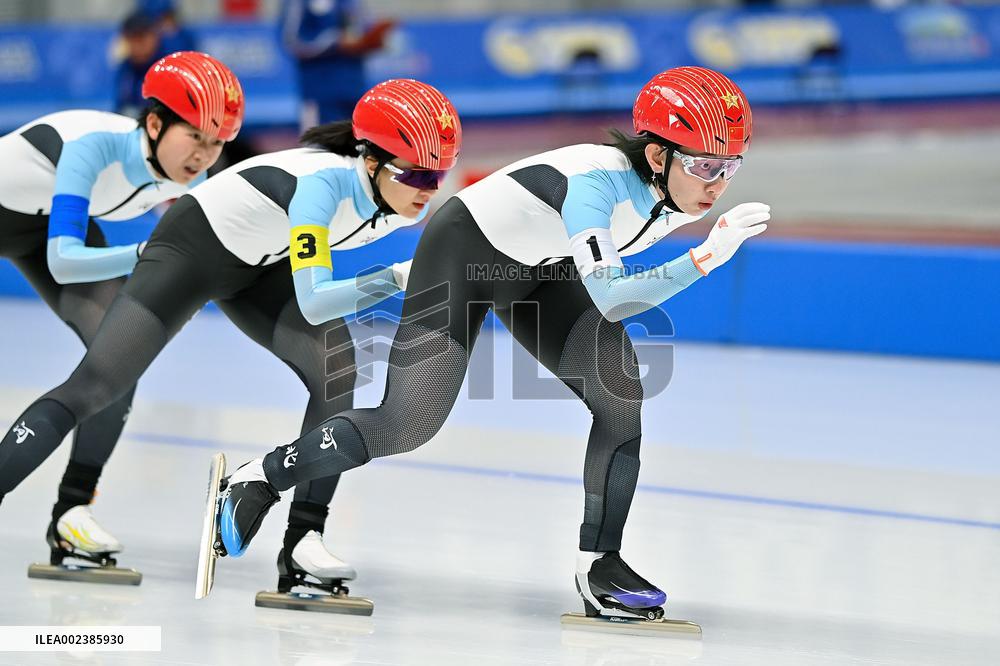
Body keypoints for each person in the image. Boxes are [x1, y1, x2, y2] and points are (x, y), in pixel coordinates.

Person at [204, 66, 770, 624]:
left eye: (731, 167)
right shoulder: (594, 186)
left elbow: (597, 282)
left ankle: (601, 564)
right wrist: (704, 258)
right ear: (657, 155)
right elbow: (617, 300)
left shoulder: (674, 190)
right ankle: (260, 476)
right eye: (705, 165)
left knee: (619, 391)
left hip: (543, 272)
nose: (718, 183)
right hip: (463, 260)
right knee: (409, 421)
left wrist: (697, 244)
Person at [0, 79, 461, 598]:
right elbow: (315, 300)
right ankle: (66, 505)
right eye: (418, 173)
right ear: (371, 161)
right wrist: (393, 279)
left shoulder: (388, 196)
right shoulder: (323, 186)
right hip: (189, 255)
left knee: (337, 370)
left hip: (259, 269)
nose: (429, 187)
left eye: (439, 174)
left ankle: (303, 541)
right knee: (97, 385)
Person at [0, 51, 243, 574]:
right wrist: (140, 255)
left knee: (118, 359)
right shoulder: (95, 147)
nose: (205, 156)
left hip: (50, 227)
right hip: (36, 226)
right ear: (154, 124)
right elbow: (64, 262)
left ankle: (72, 512)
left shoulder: (194, 178)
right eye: (195, 137)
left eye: (218, 142)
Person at [280, 0, 395, 127]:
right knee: (320, 145)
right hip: (320, 93)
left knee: (356, 143)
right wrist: (335, 42)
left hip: (354, 89)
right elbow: (292, 41)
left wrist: (374, 39)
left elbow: (362, 31)